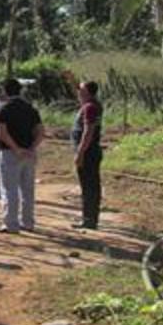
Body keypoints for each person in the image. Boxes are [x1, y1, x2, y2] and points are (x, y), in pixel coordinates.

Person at [0, 77, 44, 233]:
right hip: (29, 153)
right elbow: (41, 132)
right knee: (28, 190)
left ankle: (11, 224)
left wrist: (16, 149)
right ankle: (28, 222)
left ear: (5, 91)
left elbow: (2, 133)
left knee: (9, 189)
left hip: (10, 153)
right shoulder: (30, 108)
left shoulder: (4, 109)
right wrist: (31, 148)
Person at [70, 80, 103, 229]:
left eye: (81, 90)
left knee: (88, 186)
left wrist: (80, 152)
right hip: (91, 151)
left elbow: (88, 131)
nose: (78, 92)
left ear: (87, 92)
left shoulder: (89, 107)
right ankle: (90, 217)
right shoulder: (92, 105)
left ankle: (89, 219)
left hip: (88, 152)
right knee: (91, 185)